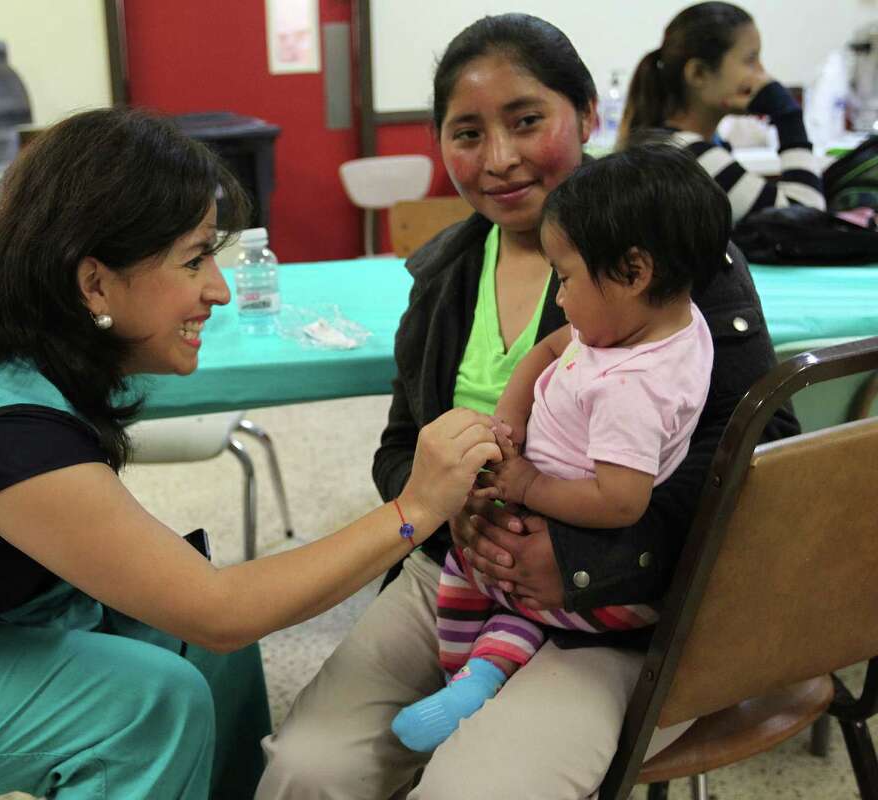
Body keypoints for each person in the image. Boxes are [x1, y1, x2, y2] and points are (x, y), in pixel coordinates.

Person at [0, 108, 503, 800]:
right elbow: (219, 605)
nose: (217, 289)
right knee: (149, 703)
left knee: (199, 652)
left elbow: (206, 620)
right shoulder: (0, 435)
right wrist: (413, 512)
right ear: (93, 284)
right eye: (195, 258)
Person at [256, 14, 798, 800]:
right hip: (457, 568)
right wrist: (452, 508)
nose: (500, 159)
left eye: (526, 121)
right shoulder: (442, 278)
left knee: (475, 789)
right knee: (309, 769)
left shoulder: (668, 257)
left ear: (585, 114)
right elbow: (398, 447)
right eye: (466, 132)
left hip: (628, 605)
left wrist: (579, 557)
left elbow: (759, 456)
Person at [390, 144, 726, 753]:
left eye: (565, 278)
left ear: (634, 270)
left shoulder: (634, 388)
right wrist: (509, 420)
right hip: (552, 513)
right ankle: (479, 673)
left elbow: (621, 501)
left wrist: (525, 486)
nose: (560, 297)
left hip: (586, 543)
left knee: (476, 569)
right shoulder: (660, 321)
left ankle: (471, 675)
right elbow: (547, 351)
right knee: (495, 577)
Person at [619, 1, 825, 225]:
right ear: (698, 74)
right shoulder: (692, 157)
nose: (762, 74)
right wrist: (789, 117)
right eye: (750, 60)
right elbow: (807, 221)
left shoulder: (674, 145)